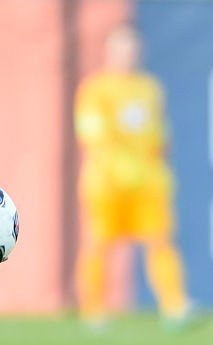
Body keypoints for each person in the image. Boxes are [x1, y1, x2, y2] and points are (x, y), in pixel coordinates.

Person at [75, 23, 190, 327]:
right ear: (109, 52)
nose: (128, 55)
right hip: (107, 181)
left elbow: (160, 134)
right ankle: (94, 311)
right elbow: (93, 134)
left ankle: (174, 305)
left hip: (149, 181)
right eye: (121, 49)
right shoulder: (95, 89)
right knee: (99, 243)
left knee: (160, 241)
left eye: (132, 48)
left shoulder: (150, 88)